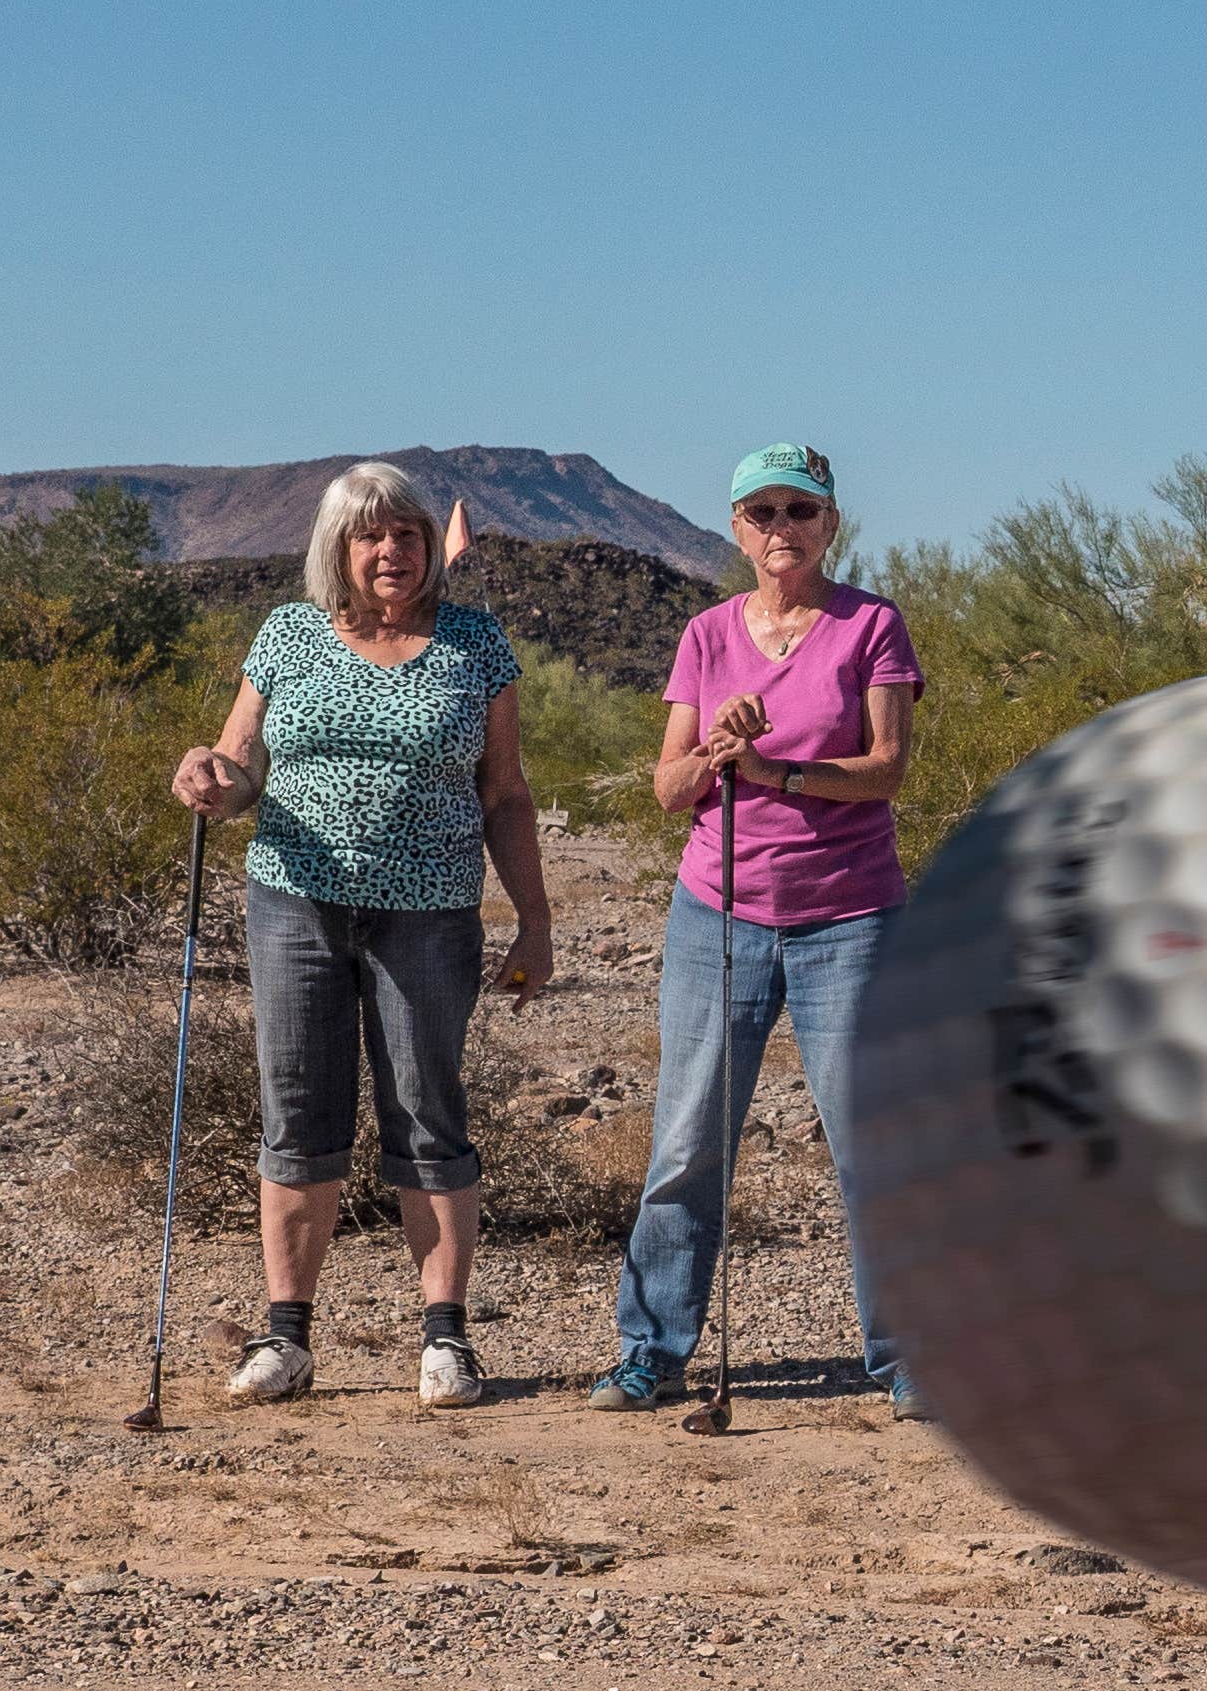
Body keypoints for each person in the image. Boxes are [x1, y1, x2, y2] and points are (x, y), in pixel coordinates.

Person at [172, 459, 551, 1410]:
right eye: (371, 536)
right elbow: (242, 761)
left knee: (426, 1108)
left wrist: (534, 918)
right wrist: (212, 779)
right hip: (295, 899)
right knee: (298, 1107)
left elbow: (503, 792)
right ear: (338, 548)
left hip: (429, 910)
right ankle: (286, 1338)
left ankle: (446, 1341)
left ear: (430, 548)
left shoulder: (474, 644)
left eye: (408, 535)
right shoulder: (291, 635)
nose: (392, 551)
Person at [593, 443, 923, 1418]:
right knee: (689, 1139)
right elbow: (668, 788)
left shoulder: (872, 626)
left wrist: (778, 774)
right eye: (763, 512)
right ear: (737, 528)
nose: (784, 529)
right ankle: (651, 1348)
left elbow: (888, 767)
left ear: (831, 523)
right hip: (719, 912)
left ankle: (910, 1355)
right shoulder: (705, 637)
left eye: (801, 510)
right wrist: (714, 752)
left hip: (851, 916)